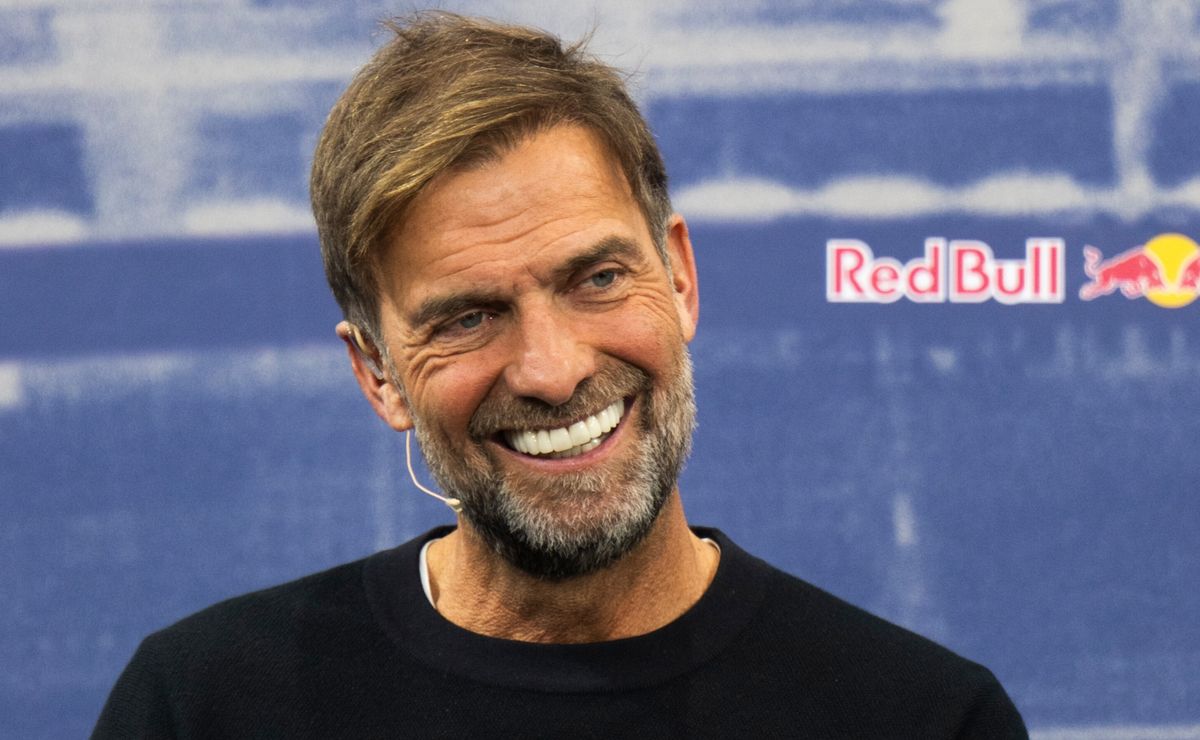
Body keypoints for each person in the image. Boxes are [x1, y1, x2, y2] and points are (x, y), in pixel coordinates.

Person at [93, 12, 1027, 737]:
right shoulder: (201, 708)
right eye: (469, 317)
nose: (551, 369)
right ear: (378, 372)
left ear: (680, 278)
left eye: (598, 279)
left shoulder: (924, 720)